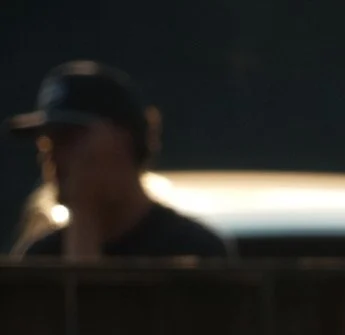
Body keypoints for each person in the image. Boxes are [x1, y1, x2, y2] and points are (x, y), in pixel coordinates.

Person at [7, 61, 227, 259]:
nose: (52, 156)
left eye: (68, 137)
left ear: (122, 139)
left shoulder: (192, 251)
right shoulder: (42, 258)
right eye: (47, 142)